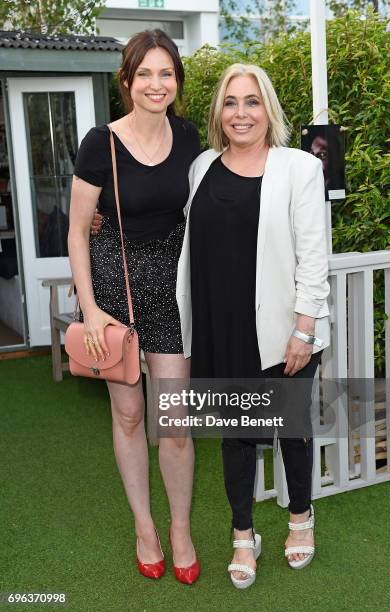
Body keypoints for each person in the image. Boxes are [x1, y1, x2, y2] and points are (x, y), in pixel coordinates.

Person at [176, 63, 330, 588]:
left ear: (269, 109)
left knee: (291, 430)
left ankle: (300, 520)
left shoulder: (299, 169)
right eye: (231, 102)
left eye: (252, 101)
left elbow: (314, 259)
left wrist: (304, 331)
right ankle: (244, 535)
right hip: (221, 329)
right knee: (236, 436)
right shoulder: (201, 168)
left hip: (285, 329)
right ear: (219, 112)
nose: (241, 113)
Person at [68, 29, 201, 584]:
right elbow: (77, 232)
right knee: (128, 415)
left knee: (174, 422)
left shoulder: (191, 137)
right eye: (144, 72)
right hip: (115, 289)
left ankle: (180, 528)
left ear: (177, 82)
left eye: (166, 72)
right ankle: (145, 527)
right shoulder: (101, 143)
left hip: (171, 290)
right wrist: (91, 309)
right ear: (126, 80)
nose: (155, 82)